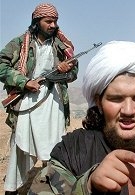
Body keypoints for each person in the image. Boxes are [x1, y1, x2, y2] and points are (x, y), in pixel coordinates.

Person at [28, 41, 135, 195]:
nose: (128, 110)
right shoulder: (74, 152)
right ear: (99, 102)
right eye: (116, 99)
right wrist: (87, 186)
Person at [0, 3, 78, 194]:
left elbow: (73, 71)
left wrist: (65, 70)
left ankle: (50, 187)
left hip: (54, 102)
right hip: (27, 101)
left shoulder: (62, 45)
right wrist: (24, 82)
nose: (53, 25)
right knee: (20, 146)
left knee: (54, 146)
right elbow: (1, 66)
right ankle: (13, 188)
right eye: (48, 21)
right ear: (37, 21)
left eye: (55, 21)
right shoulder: (19, 43)